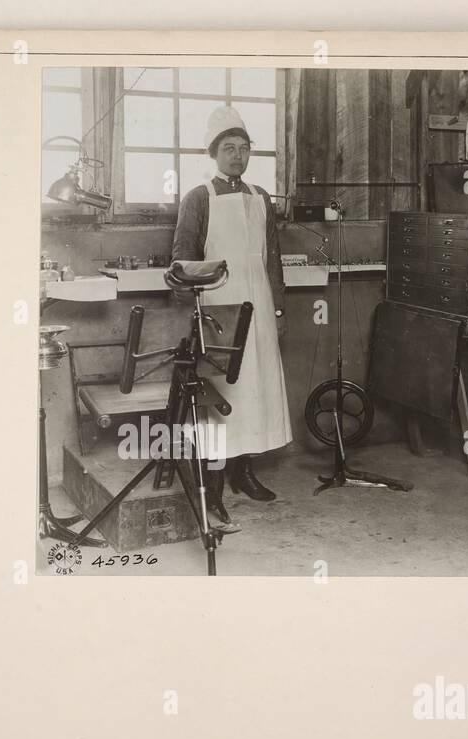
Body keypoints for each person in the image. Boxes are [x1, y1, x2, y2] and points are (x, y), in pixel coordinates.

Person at [171, 105, 292, 521]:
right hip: (219, 309)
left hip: (257, 306)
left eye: (243, 148)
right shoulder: (198, 199)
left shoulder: (261, 199)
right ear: (213, 153)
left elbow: (273, 259)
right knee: (223, 396)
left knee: (254, 394)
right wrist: (202, 311)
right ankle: (215, 485)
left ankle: (245, 473)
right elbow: (182, 261)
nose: (237, 156)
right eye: (229, 148)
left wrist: (278, 310)